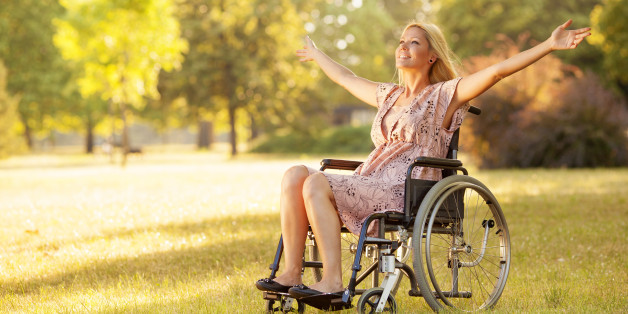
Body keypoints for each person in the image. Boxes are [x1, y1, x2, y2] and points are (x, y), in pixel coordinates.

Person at [256, 19, 590, 298]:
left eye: (414, 42)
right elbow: (346, 77)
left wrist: (548, 44)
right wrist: (317, 54)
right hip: (370, 178)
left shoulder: (445, 94)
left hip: (406, 188)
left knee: (315, 181)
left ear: (431, 56)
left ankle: (332, 281)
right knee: (294, 175)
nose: (403, 47)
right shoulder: (389, 95)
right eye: (402, 41)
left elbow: (497, 72)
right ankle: (291, 272)